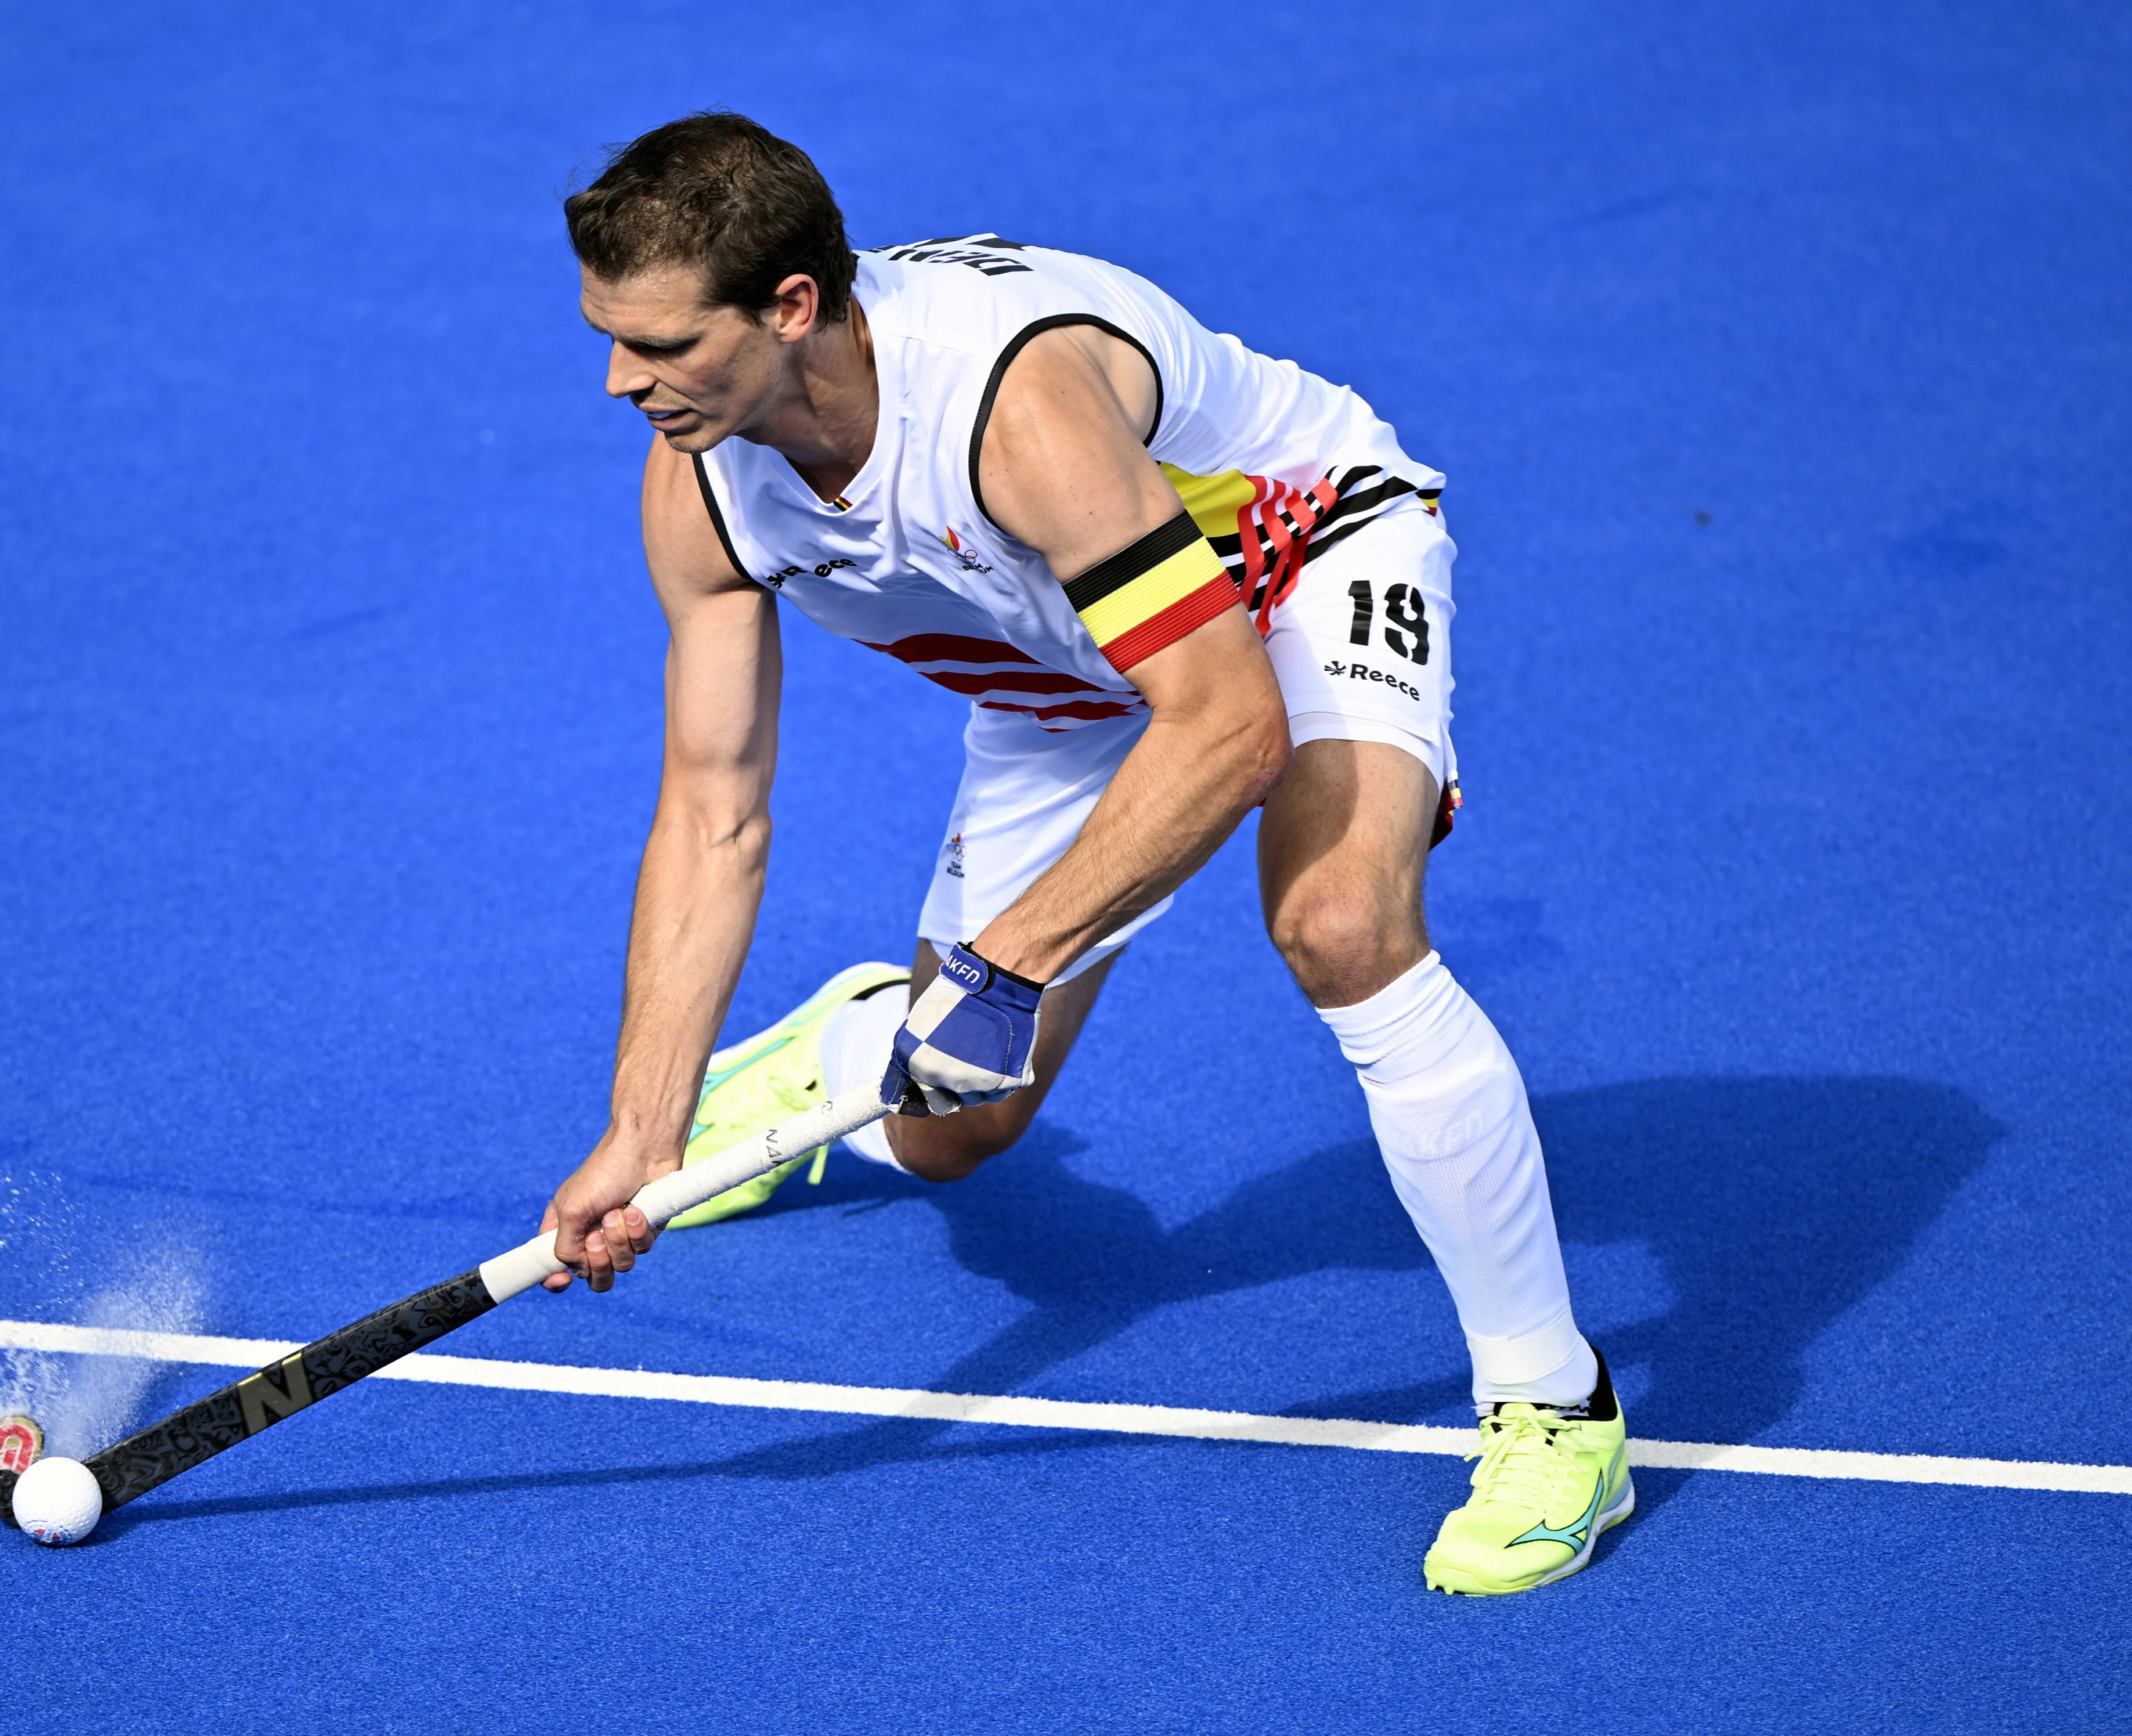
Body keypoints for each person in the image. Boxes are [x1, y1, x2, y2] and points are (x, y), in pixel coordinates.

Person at [534, 112, 1629, 1595]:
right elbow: (713, 807)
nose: (620, 380)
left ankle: (1555, 1404)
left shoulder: (1011, 408)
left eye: (659, 343)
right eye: (609, 338)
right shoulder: (706, 482)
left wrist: (1007, 962)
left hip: (1288, 575)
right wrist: (646, 1129)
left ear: (792, 307)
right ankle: (859, 1036)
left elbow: (1234, 726)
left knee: (1337, 923)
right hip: (1060, 673)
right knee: (953, 1132)